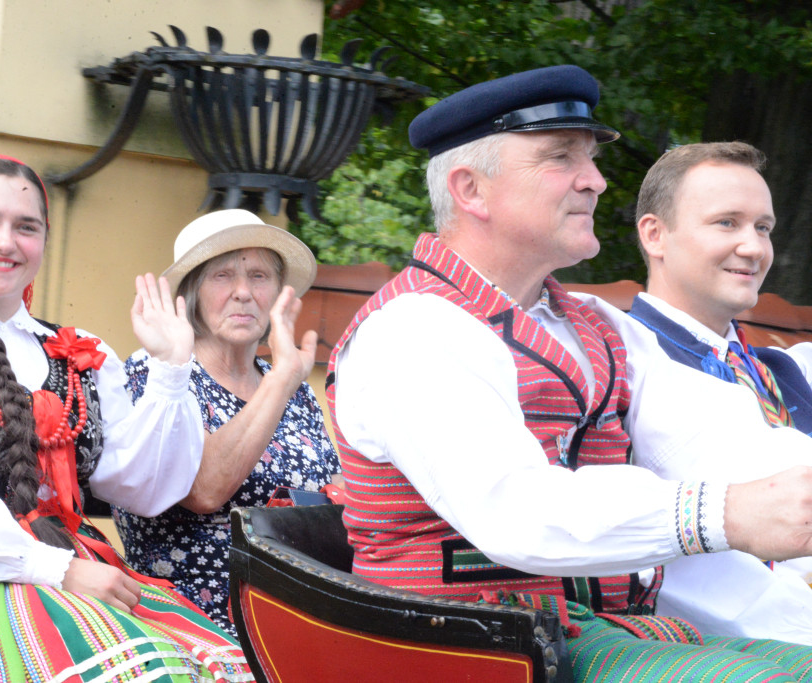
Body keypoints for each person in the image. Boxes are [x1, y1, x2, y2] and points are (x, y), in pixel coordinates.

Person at [328, 66, 812, 680]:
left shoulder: (591, 323)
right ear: (471, 189)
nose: (597, 182)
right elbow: (517, 511)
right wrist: (724, 513)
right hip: (458, 647)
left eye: (591, 160)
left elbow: (711, 440)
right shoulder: (412, 332)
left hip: (583, 632)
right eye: (561, 158)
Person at [0, 155, 252, 681]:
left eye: (26, 227)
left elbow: (143, 487)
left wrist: (173, 368)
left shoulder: (75, 353)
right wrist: (56, 568)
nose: (5, 241)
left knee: (231, 669)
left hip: (76, 573)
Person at [574, 141, 812, 643]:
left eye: (763, 227)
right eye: (727, 222)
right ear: (655, 234)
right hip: (735, 639)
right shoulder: (622, 358)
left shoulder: (779, 368)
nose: (753, 247)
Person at [112, 209, 339, 635]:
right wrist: (284, 379)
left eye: (258, 276)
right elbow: (204, 489)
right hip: (194, 626)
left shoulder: (293, 386)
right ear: (192, 293)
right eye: (222, 276)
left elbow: (331, 490)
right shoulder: (158, 371)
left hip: (298, 617)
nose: (243, 292)